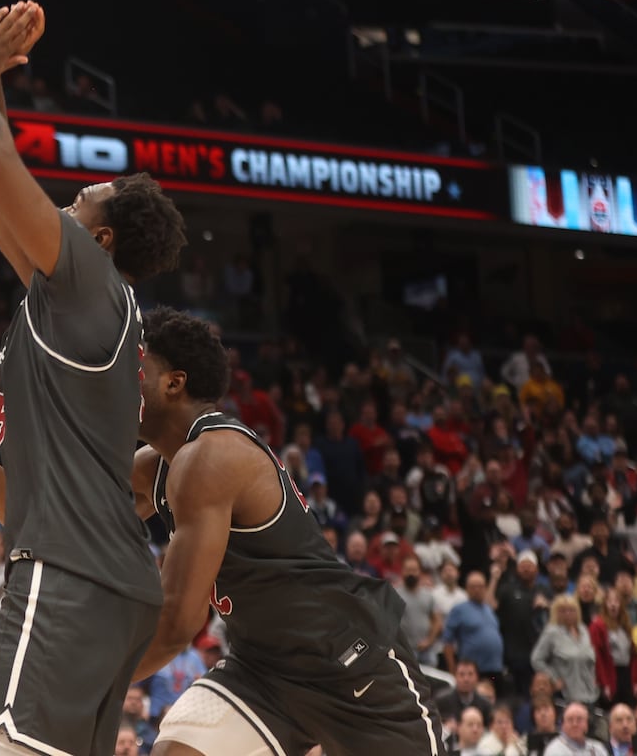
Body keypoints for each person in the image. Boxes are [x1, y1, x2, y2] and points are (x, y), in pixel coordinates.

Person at [0, 2, 183, 756]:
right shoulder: (79, 303)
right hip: (104, 578)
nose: (56, 210)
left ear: (97, 240)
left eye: (72, 205)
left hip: (68, 580)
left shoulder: (89, 282)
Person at [119, 307, 442, 754]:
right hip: (263, 670)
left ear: (173, 382)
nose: (117, 379)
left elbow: (178, 623)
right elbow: (56, 521)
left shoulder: (210, 457)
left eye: (132, 367)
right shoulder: (160, 467)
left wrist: (91, 682)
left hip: (348, 664)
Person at [542, 703, 606, 756]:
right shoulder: (554, 750)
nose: (574, 724)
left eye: (579, 719)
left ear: (587, 724)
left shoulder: (598, 748)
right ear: (563, 725)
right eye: (570, 720)